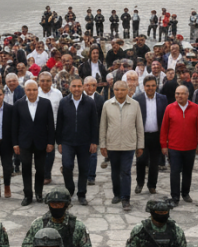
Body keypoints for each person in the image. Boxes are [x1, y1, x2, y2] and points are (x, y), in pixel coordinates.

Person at [99, 80, 145, 210]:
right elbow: (103, 126)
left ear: (128, 90)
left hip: (128, 145)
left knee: (126, 171)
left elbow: (139, 126)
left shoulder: (135, 104)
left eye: (122, 89)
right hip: (112, 145)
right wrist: (103, 144)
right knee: (115, 171)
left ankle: (126, 198)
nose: (120, 92)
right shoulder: (107, 105)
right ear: (113, 90)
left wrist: (140, 145)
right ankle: (117, 194)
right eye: (117, 89)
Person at [56, 78, 98, 204]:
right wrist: (59, 142)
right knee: (67, 166)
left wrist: (94, 141)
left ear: (83, 87)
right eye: (74, 86)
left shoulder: (90, 102)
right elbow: (59, 123)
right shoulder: (64, 102)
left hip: (84, 142)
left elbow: (94, 123)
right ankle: (69, 190)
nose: (77, 89)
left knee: (84, 168)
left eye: (79, 86)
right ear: (70, 87)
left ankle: (81, 194)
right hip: (67, 141)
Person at [14, 80, 56, 205]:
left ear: (37, 90)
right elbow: (14, 125)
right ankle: (28, 195)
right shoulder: (18, 104)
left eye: (34, 89)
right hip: (24, 142)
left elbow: (50, 124)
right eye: (28, 90)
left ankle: (39, 193)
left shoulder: (46, 103)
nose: (31, 92)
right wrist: (15, 143)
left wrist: (51, 142)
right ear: (25, 91)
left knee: (40, 169)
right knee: (25, 168)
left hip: (41, 142)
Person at [160, 85, 198, 206]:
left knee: (187, 172)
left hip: (190, 147)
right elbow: (164, 128)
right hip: (174, 147)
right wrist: (164, 145)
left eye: (182, 93)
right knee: (174, 172)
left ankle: (185, 193)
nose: (179, 96)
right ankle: (175, 197)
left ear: (187, 94)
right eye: (177, 93)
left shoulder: (195, 108)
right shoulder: (169, 108)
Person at [133, 76, 168, 196]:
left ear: (156, 86)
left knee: (154, 163)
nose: (150, 88)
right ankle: (140, 183)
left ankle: (152, 185)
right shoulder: (137, 99)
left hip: (157, 136)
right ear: (144, 86)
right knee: (141, 160)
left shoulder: (163, 99)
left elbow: (165, 117)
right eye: (148, 86)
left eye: (153, 85)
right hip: (142, 136)